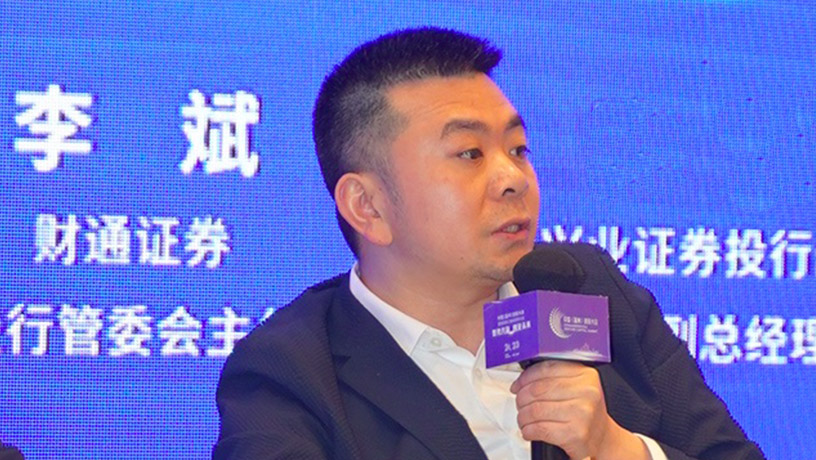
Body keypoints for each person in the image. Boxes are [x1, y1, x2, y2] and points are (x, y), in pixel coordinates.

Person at [213, 27, 764, 459]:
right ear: (368, 206)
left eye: (518, 149)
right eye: (470, 154)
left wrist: (617, 449)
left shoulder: (589, 291)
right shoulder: (290, 372)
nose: (513, 178)